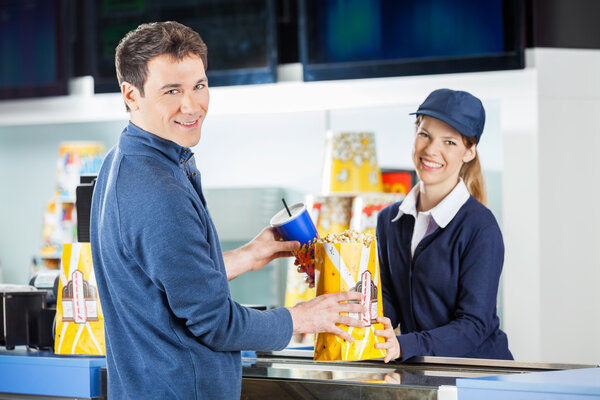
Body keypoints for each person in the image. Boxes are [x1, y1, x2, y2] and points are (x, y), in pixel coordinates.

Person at [90, 21, 364, 399]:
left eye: (199, 86)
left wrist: (251, 255)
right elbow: (217, 323)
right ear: (131, 95)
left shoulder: (121, 162)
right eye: (172, 91)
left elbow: (167, 282)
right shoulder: (159, 190)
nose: (192, 106)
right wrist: (304, 316)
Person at [373, 88, 512, 362]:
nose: (431, 150)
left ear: (469, 151)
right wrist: (356, 312)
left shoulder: (480, 227)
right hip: (423, 372)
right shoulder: (389, 220)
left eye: (449, 142)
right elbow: (389, 299)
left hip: (478, 376)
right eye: (424, 135)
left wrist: (404, 345)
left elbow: (474, 325)